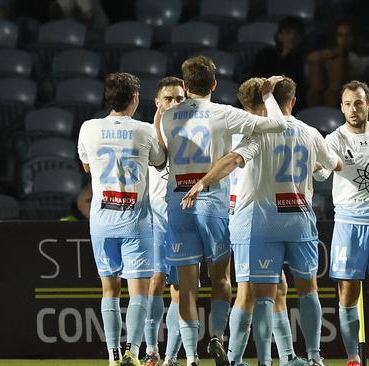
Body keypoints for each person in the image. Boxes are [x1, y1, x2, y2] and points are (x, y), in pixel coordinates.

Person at [180, 76, 343, 366]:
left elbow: (232, 160)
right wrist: (313, 165)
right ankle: (315, 357)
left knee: (262, 295)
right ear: (292, 102)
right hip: (300, 219)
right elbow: (335, 165)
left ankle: (262, 360)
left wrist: (202, 182)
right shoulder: (310, 133)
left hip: (259, 221)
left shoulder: (256, 133)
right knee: (308, 291)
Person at [157, 55, 288, 366]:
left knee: (186, 286)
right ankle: (216, 336)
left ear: (185, 86)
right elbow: (278, 123)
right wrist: (267, 92)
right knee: (221, 279)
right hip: (213, 201)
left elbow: (161, 159)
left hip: (177, 202)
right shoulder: (225, 114)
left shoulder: (167, 116)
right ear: (214, 84)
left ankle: (190, 358)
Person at [313, 80, 369, 366]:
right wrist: (317, 165)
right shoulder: (334, 140)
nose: (353, 109)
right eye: (348, 104)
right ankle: (353, 357)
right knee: (349, 293)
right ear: (341, 107)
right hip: (349, 225)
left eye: (358, 103)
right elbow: (320, 175)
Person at [77, 72, 166, 366]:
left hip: (102, 218)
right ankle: (133, 349)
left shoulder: (88, 128)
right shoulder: (144, 130)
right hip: (135, 220)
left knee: (109, 290)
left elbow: (87, 166)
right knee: (138, 291)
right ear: (135, 98)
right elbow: (160, 162)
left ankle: (114, 356)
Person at [228, 77, 304, 366]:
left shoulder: (244, 130)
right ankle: (238, 359)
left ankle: (284, 357)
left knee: (277, 287)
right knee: (250, 292)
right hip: (249, 219)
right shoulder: (253, 133)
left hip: (252, 217)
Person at [141, 76, 186, 366]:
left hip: (184, 222)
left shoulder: (196, 135)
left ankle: (171, 357)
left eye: (180, 99)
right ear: (157, 102)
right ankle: (151, 351)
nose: (174, 103)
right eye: (168, 99)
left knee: (181, 289)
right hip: (156, 221)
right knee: (155, 282)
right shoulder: (144, 135)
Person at [306, 21, 369, 107]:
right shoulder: (328, 58)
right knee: (316, 63)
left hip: (347, 98)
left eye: (348, 35)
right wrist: (335, 52)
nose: (344, 38)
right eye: (340, 35)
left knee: (339, 60)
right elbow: (311, 58)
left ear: (354, 37)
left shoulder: (363, 60)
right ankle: (317, 97)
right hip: (322, 93)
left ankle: (332, 98)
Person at [251, 16, 307, 112]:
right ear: (280, 36)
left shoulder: (301, 59)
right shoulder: (266, 54)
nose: (292, 37)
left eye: (296, 33)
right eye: (288, 32)